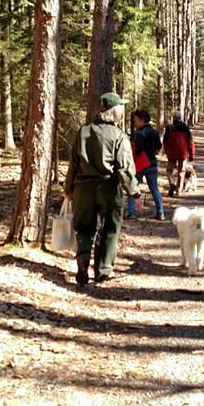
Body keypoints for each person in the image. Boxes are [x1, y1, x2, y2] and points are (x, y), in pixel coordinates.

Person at [63, 92, 140, 286]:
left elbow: (74, 163)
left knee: (84, 229)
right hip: (109, 188)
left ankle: (82, 263)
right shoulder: (119, 136)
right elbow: (125, 167)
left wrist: (68, 188)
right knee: (110, 228)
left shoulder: (83, 131)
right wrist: (135, 192)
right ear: (115, 112)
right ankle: (104, 270)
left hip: (82, 188)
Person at [125, 109, 165, 221]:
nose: (135, 122)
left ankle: (131, 212)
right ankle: (160, 212)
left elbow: (138, 150)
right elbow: (159, 146)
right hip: (152, 163)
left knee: (133, 187)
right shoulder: (154, 131)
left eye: (136, 120)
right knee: (154, 189)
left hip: (141, 164)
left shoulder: (139, 133)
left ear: (142, 120)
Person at [162, 111, 195, 197]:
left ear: (173, 118)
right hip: (182, 153)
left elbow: (165, 142)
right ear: (180, 118)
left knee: (169, 170)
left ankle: (172, 183)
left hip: (172, 153)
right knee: (181, 171)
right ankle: (179, 190)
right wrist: (192, 154)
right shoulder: (185, 128)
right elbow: (190, 142)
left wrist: (166, 151)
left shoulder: (169, 128)